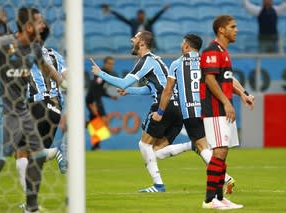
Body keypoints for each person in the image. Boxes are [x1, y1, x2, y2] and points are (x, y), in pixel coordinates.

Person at [0, 7, 66, 213]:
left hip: (23, 110)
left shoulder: (34, 49)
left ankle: (31, 207)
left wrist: (63, 83)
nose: (43, 25)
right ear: (29, 26)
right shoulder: (1, 44)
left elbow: (47, 68)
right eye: (39, 22)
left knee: (37, 157)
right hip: (2, 112)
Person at [150, 33, 251, 195]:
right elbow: (228, 79)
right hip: (208, 110)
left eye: (183, 43)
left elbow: (168, 91)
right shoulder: (206, 60)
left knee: (202, 148)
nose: (181, 46)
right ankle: (219, 180)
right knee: (206, 149)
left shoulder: (176, 64)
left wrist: (160, 112)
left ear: (187, 46)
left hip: (190, 112)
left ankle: (225, 178)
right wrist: (244, 93)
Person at [91, 30, 183, 192]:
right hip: (175, 107)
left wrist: (101, 73)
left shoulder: (145, 61)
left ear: (142, 43)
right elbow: (151, 89)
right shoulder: (156, 61)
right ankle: (193, 146)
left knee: (144, 145)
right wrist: (130, 92)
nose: (131, 39)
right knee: (156, 151)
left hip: (163, 105)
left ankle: (159, 185)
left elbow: (123, 83)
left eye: (135, 38)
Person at [200, 15, 254, 209]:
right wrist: (226, 102)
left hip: (223, 109)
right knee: (219, 151)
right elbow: (210, 80)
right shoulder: (211, 51)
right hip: (215, 110)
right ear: (222, 30)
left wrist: (242, 94)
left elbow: (227, 80)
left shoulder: (223, 52)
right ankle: (209, 200)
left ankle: (220, 197)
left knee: (223, 153)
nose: (236, 30)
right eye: (233, 26)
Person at [15, 22, 68, 209]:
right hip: (55, 109)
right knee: (33, 156)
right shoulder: (56, 54)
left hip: (36, 104)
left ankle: (30, 203)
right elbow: (67, 77)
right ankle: (30, 204)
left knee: (22, 153)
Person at [86, 56, 118, 150]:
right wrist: (94, 104)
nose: (111, 66)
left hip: (95, 99)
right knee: (103, 121)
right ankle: (79, 124)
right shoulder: (101, 73)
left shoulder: (105, 73)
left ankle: (96, 146)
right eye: (109, 63)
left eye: (112, 64)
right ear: (105, 64)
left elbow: (100, 90)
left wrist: (110, 96)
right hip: (93, 100)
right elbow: (94, 87)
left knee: (97, 123)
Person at [101, 3, 170, 38]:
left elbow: (156, 16)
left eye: (142, 14)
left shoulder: (148, 22)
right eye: (139, 15)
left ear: (144, 15)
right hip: (136, 42)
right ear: (137, 15)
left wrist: (163, 10)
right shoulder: (133, 22)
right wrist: (111, 11)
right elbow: (122, 18)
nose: (141, 16)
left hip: (147, 43)